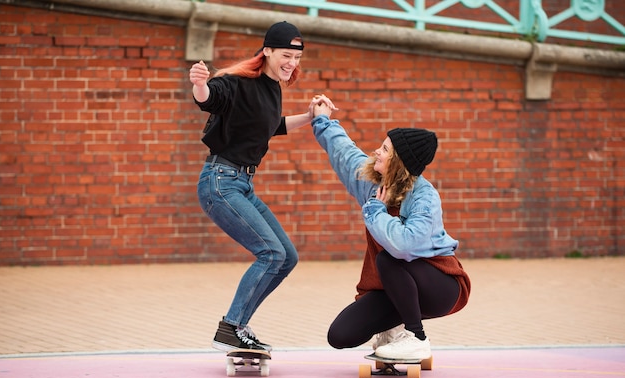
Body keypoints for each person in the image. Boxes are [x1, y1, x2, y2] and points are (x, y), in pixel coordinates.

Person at [189, 21, 335, 353]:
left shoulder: (272, 87)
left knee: (287, 257)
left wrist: (310, 115)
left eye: (297, 58)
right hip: (220, 182)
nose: (292, 64)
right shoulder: (237, 82)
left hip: (241, 184)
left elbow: (271, 127)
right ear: (267, 50)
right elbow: (210, 99)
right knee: (270, 253)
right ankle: (230, 328)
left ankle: (237, 326)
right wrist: (200, 85)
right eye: (286, 55)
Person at [309, 101, 471, 360]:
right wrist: (322, 120)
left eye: (384, 149)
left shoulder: (424, 198)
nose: (377, 151)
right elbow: (344, 152)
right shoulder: (372, 182)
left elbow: (403, 245)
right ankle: (394, 327)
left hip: (440, 287)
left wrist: (376, 211)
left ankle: (416, 337)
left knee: (389, 258)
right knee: (340, 335)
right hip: (395, 287)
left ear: (399, 161)